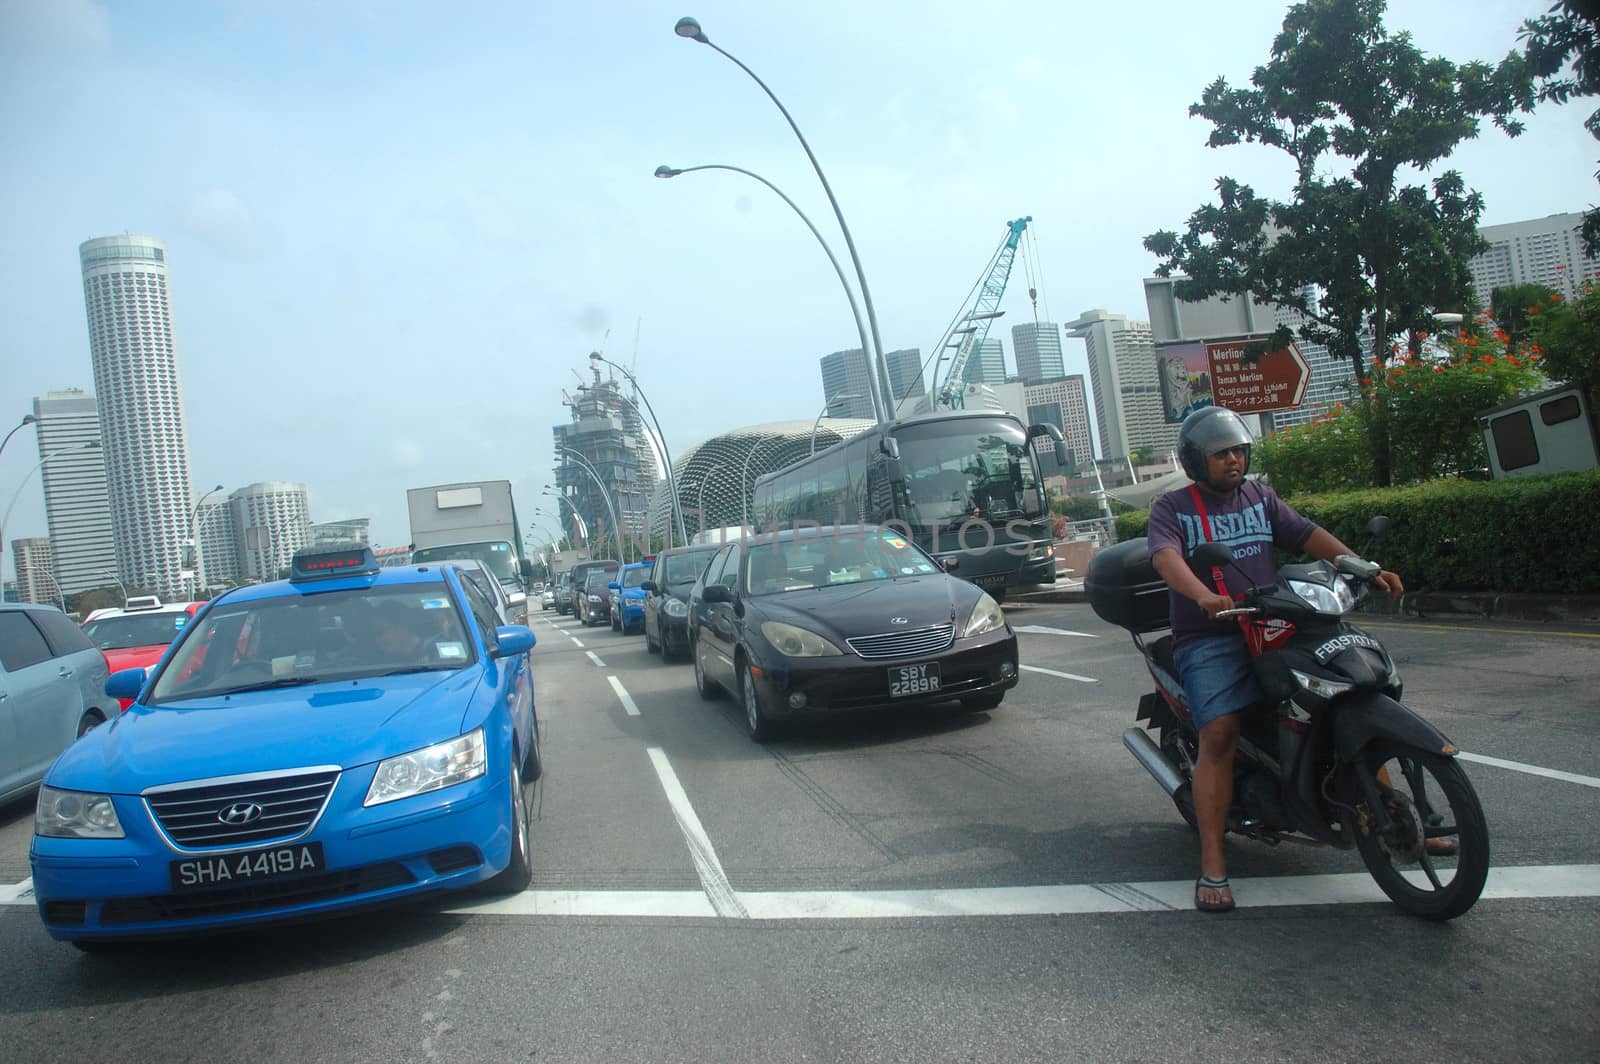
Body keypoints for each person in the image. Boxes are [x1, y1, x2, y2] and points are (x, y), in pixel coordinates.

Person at [1147, 407, 1405, 913]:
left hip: (1273, 622)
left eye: (1239, 451)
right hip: (1211, 635)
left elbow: (1308, 535)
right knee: (1219, 733)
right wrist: (1203, 597)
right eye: (1221, 454)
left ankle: (1395, 818)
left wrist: (1363, 567)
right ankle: (1214, 862)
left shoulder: (1259, 497)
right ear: (1197, 461)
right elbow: (1166, 558)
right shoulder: (1173, 507)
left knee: (1346, 699)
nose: (1233, 461)